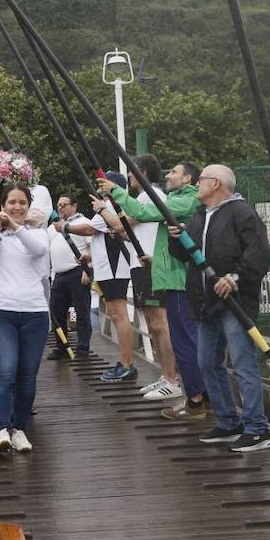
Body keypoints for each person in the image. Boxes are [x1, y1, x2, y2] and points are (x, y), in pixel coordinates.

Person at [171, 165, 270, 453]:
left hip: (234, 303)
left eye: (201, 179)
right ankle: (229, 421)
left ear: (215, 183)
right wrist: (176, 238)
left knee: (243, 363)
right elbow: (184, 255)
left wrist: (235, 277)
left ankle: (257, 427)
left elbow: (259, 252)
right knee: (207, 362)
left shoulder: (242, 213)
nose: (198, 184)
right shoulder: (200, 215)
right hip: (206, 302)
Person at [98, 159, 207, 417]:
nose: (169, 175)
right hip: (171, 277)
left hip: (180, 282)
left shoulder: (184, 200)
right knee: (185, 340)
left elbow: (145, 213)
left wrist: (114, 191)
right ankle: (198, 396)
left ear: (188, 179)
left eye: (175, 172)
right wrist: (156, 260)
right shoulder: (181, 198)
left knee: (186, 342)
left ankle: (194, 399)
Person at [0, 184, 51, 452]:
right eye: (11, 203)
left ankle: (19, 428)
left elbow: (39, 250)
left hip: (34, 312)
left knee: (27, 376)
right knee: (5, 373)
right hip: (0, 311)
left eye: (22, 203)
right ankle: (2, 430)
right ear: (2, 205)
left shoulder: (37, 233)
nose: (17, 208)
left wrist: (16, 227)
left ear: (29, 206)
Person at [67, 171, 138, 382]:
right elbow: (101, 236)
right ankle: (124, 362)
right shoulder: (108, 207)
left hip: (115, 268)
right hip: (108, 268)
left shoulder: (110, 206)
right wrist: (90, 257)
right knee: (116, 314)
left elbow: (88, 230)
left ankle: (127, 364)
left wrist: (65, 226)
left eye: (102, 183)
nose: (98, 187)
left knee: (119, 314)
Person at [48, 193, 92, 359]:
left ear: (74, 206)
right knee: (56, 312)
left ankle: (82, 348)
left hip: (77, 272)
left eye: (64, 205)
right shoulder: (52, 228)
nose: (60, 208)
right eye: (58, 205)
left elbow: (93, 247)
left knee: (82, 312)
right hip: (59, 275)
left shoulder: (84, 222)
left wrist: (89, 270)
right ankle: (61, 347)